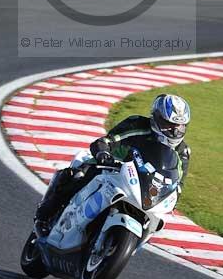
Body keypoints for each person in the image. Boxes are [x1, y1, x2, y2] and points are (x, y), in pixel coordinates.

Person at [34, 93, 191, 236]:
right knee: (77, 175)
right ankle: (45, 216)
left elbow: (179, 183)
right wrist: (103, 153)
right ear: (155, 118)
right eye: (168, 124)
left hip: (144, 183)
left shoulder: (183, 152)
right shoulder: (137, 124)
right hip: (113, 165)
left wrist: (174, 197)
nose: (174, 131)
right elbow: (106, 141)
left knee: (154, 220)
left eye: (179, 126)